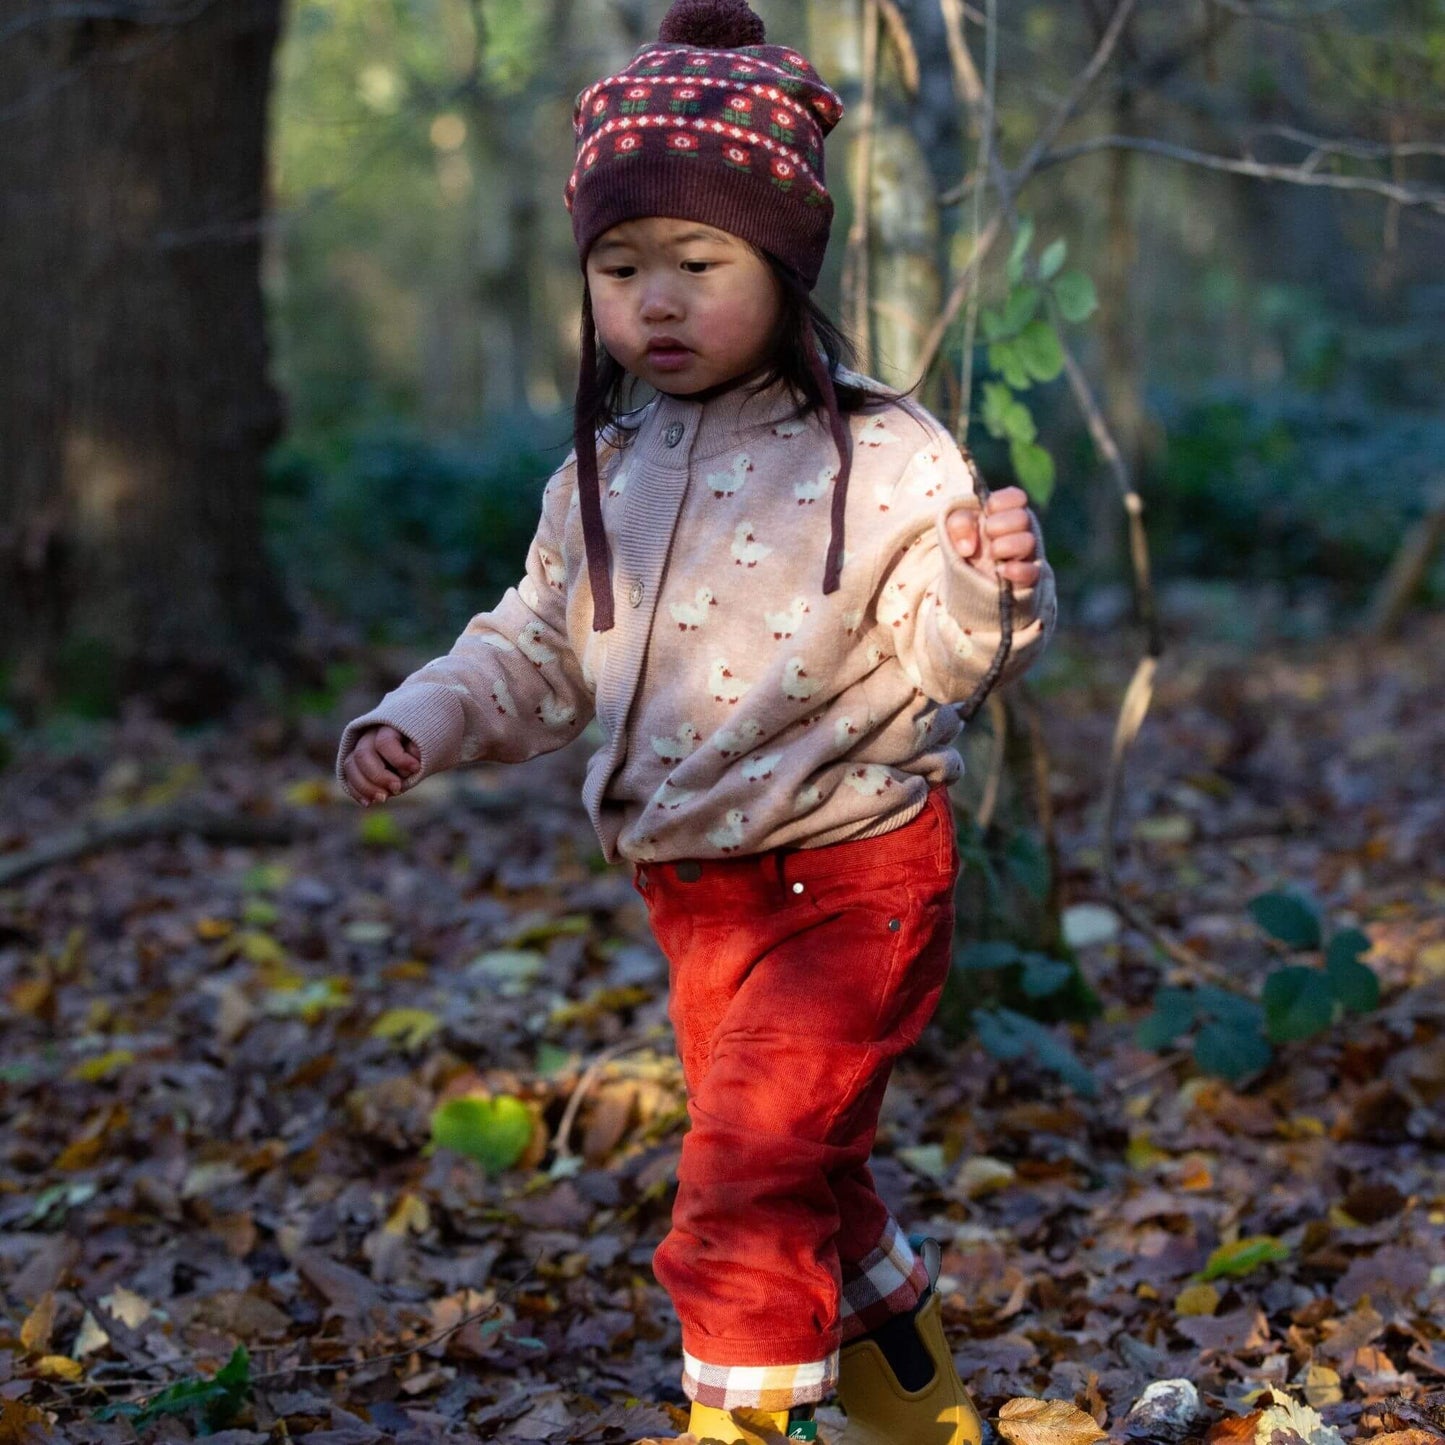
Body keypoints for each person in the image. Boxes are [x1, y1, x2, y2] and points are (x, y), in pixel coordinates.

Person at [336, 2, 1057, 1440]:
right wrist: (423, 713)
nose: (653, 302)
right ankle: (918, 1410)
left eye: (695, 264)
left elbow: (941, 656)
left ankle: (743, 1422)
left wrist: (986, 586)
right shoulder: (599, 472)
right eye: (619, 269)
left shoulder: (885, 450)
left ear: (782, 266)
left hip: (852, 875)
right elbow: (531, 646)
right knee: (809, 1167)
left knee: (736, 1181)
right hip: (697, 893)